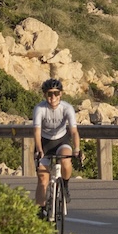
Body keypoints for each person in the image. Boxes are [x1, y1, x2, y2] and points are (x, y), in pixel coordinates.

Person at [32, 77, 80, 214]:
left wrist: (77, 149)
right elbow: (36, 131)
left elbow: (74, 131)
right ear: (44, 95)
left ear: (61, 94)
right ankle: (41, 211)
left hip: (61, 140)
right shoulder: (39, 109)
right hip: (44, 143)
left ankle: (65, 185)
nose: (53, 97)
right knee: (43, 179)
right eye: (49, 94)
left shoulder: (67, 108)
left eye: (56, 93)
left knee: (65, 160)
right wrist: (40, 150)